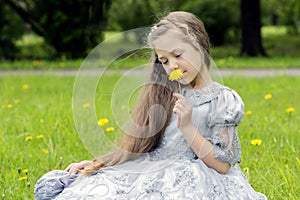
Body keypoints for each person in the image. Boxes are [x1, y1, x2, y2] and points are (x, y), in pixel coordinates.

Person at [34, 11, 267, 199]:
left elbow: (222, 165)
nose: (172, 66)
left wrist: (187, 126)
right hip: (151, 169)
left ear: (199, 46)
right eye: (164, 61)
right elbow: (139, 145)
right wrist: (100, 164)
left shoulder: (222, 100)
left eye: (178, 54)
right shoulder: (163, 93)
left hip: (197, 176)